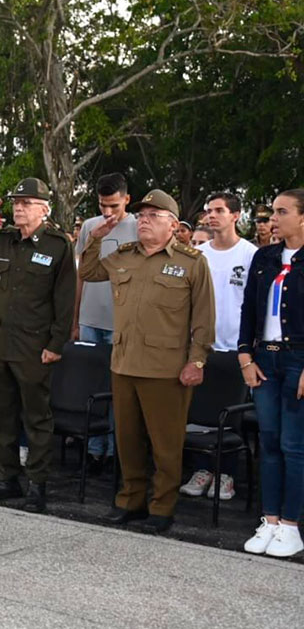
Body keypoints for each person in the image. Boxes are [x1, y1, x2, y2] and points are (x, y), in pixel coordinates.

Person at [79, 189, 214, 532]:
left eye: (153, 216)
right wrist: (96, 238)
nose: (144, 221)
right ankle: (131, 500)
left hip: (166, 369)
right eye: (141, 216)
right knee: (127, 440)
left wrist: (196, 361)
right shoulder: (125, 255)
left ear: (172, 223)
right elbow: (88, 271)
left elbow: (203, 320)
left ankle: (162, 507)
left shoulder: (191, 262)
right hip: (124, 363)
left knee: (165, 445)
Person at [0, 178, 76, 513]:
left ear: (44, 209)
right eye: (16, 202)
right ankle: (6, 480)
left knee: (37, 418)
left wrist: (56, 343)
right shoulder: (3, 240)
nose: (18, 208)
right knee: (3, 417)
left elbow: (65, 298)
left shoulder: (56, 244)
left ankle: (37, 485)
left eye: (26, 203)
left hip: (35, 346)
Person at [237, 188, 304, 558]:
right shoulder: (265, 257)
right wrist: (245, 355)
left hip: (297, 360)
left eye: (281, 212)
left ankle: (292, 525)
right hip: (265, 359)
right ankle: (271, 520)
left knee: (295, 446)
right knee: (270, 441)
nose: (272, 219)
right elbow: (249, 307)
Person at [180, 192, 256, 501]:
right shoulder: (199, 255)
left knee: (229, 415)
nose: (212, 216)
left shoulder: (250, 254)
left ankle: (226, 475)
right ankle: (202, 470)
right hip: (203, 348)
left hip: (237, 348)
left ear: (235, 215)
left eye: (219, 210)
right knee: (199, 412)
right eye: (208, 210)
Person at [72, 172, 137, 474]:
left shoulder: (139, 227)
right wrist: (75, 319)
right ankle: (92, 449)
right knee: (89, 386)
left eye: (113, 205)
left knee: (117, 392)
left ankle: (115, 450)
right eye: (102, 205)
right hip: (89, 318)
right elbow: (82, 274)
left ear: (127, 199)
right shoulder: (88, 227)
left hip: (121, 324)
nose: (107, 213)